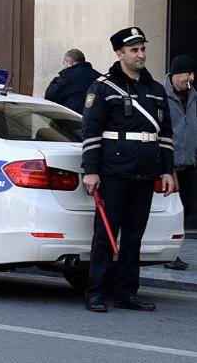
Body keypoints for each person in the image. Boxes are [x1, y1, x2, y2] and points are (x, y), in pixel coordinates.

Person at [82, 27, 175, 312]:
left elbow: (166, 135)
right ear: (120, 54)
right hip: (113, 172)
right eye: (134, 50)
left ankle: (126, 292)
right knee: (104, 236)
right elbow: (91, 131)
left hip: (145, 173)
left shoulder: (156, 90)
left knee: (134, 238)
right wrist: (91, 170)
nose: (141, 55)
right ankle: (96, 292)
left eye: (143, 49)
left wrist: (168, 170)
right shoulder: (103, 87)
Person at [163, 55, 196, 270]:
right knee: (170, 211)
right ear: (175, 75)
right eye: (187, 74)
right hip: (169, 166)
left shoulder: (194, 96)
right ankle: (170, 254)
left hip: (189, 163)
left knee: (185, 210)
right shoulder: (159, 95)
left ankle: (172, 252)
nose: (190, 78)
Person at [44, 49, 101, 114]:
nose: (63, 66)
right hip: (94, 118)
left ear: (70, 62)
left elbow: (50, 97)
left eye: (64, 63)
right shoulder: (98, 75)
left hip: (73, 119)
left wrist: (55, 80)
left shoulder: (68, 77)